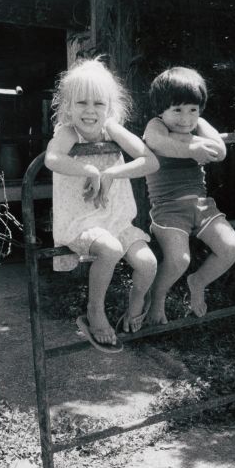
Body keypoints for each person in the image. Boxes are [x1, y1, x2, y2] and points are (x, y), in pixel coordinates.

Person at [45, 58, 159, 352]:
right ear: (67, 106)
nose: (90, 111)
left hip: (116, 218)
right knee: (110, 248)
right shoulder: (68, 132)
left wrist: (111, 172)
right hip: (81, 222)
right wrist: (89, 170)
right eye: (81, 102)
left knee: (148, 263)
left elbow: (151, 160)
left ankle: (134, 308)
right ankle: (95, 312)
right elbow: (52, 159)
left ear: (110, 107)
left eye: (98, 103)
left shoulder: (112, 128)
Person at [141, 67, 235, 325]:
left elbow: (219, 151)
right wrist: (192, 147)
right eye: (177, 110)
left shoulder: (198, 125)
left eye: (193, 110)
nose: (186, 118)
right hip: (168, 208)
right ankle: (157, 295)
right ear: (161, 109)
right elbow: (159, 143)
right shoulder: (156, 125)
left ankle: (198, 281)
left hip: (202, 205)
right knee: (179, 260)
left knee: (231, 247)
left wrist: (194, 142)